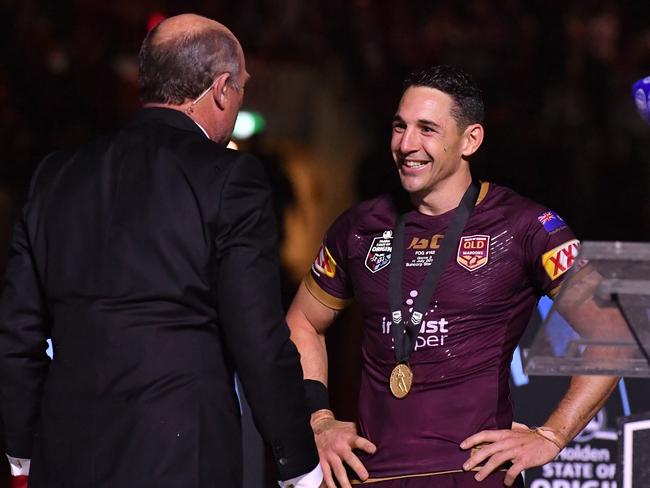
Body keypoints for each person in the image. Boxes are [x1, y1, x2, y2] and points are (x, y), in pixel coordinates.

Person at [0, 14, 324, 488]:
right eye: (242, 90)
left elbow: (17, 330)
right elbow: (256, 335)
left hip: (65, 450)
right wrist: (298, 463)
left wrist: (20, 448)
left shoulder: (56, 176)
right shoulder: (231, 179)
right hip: (180, 455)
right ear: (221, 88)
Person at [286, 65, 618, 487]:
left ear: (470, 139)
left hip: (472, 477)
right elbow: (302, 321)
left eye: (427, 129)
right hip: (369, 477)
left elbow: (611, 332)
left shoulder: (526, 226)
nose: (407, 144)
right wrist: (319, 419)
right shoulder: (359, 226)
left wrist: (552, 435)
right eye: (399, 126)